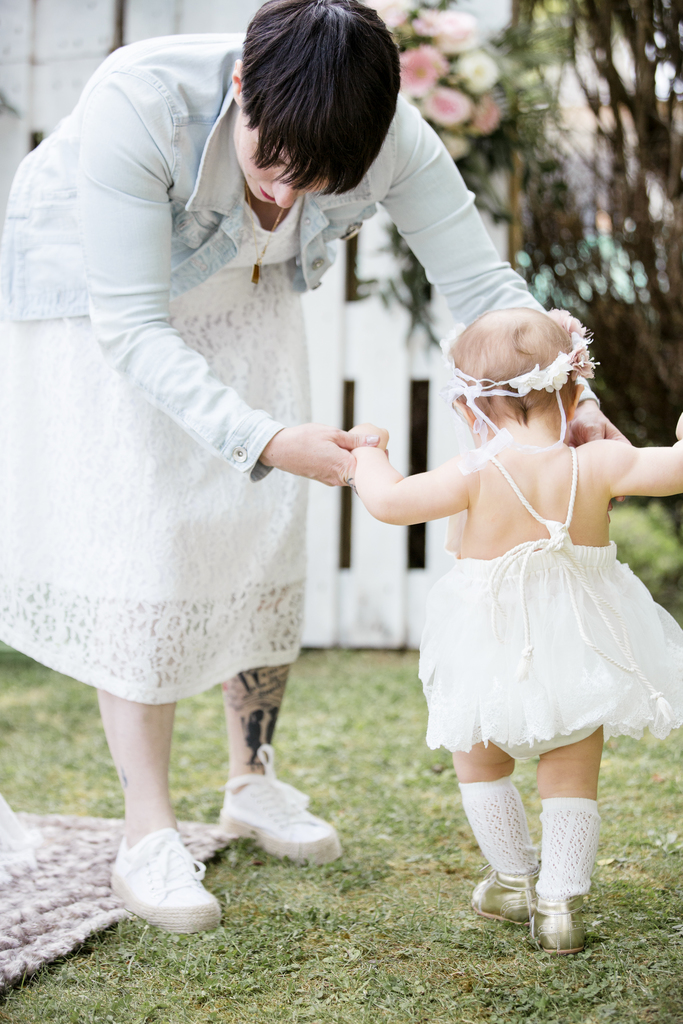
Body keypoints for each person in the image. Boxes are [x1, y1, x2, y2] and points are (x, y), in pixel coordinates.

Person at [0, 0, 622, 933]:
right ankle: (147, 832)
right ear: (242, 87)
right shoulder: (141, 103)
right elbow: (132, 326)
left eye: (321, 182)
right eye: (272, 168)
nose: (288, 201)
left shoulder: (392, 134)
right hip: (107, 307)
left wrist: (570, 398)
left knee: (262, 530)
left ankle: (252, 780)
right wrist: (260, 438)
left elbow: (480, 288)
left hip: (244, 291)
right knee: (151, 537)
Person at [349, 307, 683, 954]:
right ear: (569, 388)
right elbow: (673, 469)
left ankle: (511, 878)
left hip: (491, 638)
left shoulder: (475, 472)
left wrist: (368, 453)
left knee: (478, 756)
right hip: (579, 640)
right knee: (570, 766)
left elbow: (389, 502)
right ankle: (560, 903)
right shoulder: (599, 463)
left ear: (472, 405)